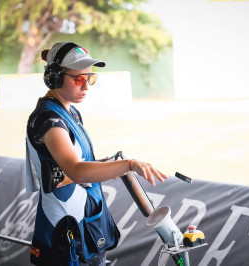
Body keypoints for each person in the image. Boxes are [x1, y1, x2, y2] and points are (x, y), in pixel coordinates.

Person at [26, 42, 167, 266]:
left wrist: (105, 165)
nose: (86, 86)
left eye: (90, 78)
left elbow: (79, 165)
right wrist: (128, 164)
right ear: (54, 77)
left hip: (84, 229)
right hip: (65, 236)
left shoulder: (70, 113)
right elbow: (77, 170)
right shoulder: (49, 120)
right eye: (78, 79)